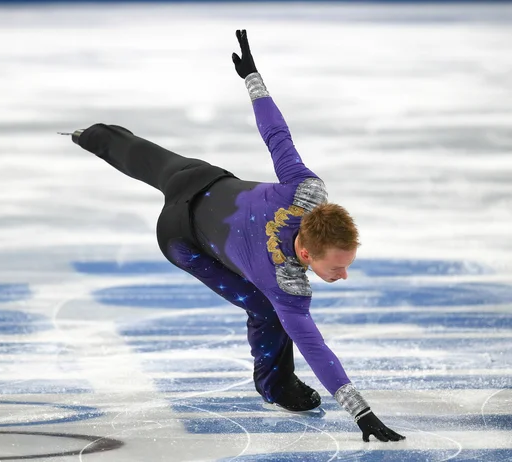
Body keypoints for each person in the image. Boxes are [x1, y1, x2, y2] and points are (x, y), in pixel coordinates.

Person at [61, 30, 405, 443]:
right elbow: (316, 349)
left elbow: (279, 138)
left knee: (145, 157)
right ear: (307, 253)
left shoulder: (307, 192)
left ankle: (89, 135)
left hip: (201, 178)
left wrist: (252, 78)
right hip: (182, 239)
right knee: (265, 309)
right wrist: (361, 413)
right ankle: (276, 387)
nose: (345, 275)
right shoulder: (286, 284)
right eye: (337, 267)